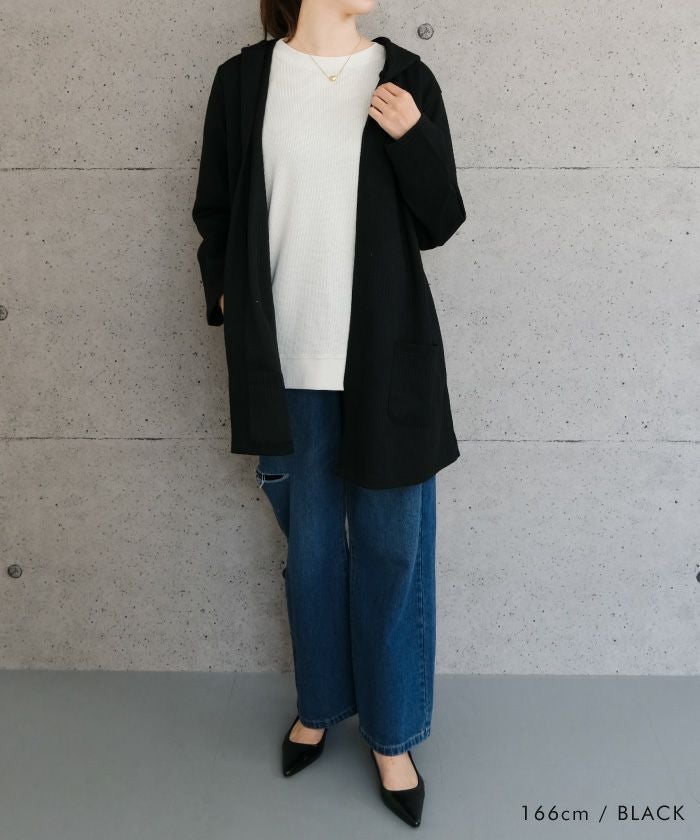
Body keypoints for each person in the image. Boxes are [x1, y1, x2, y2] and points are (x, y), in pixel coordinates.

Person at [192, 0, 466, 828]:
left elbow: (441, 220)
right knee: (310, 551)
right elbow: (216, 207)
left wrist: (412, 137)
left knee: (390, 551)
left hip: (385, 363)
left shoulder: (403, 78)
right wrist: (225, 293)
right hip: (284, 366)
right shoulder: (243, 82)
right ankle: (319, 704)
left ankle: (392, 734)